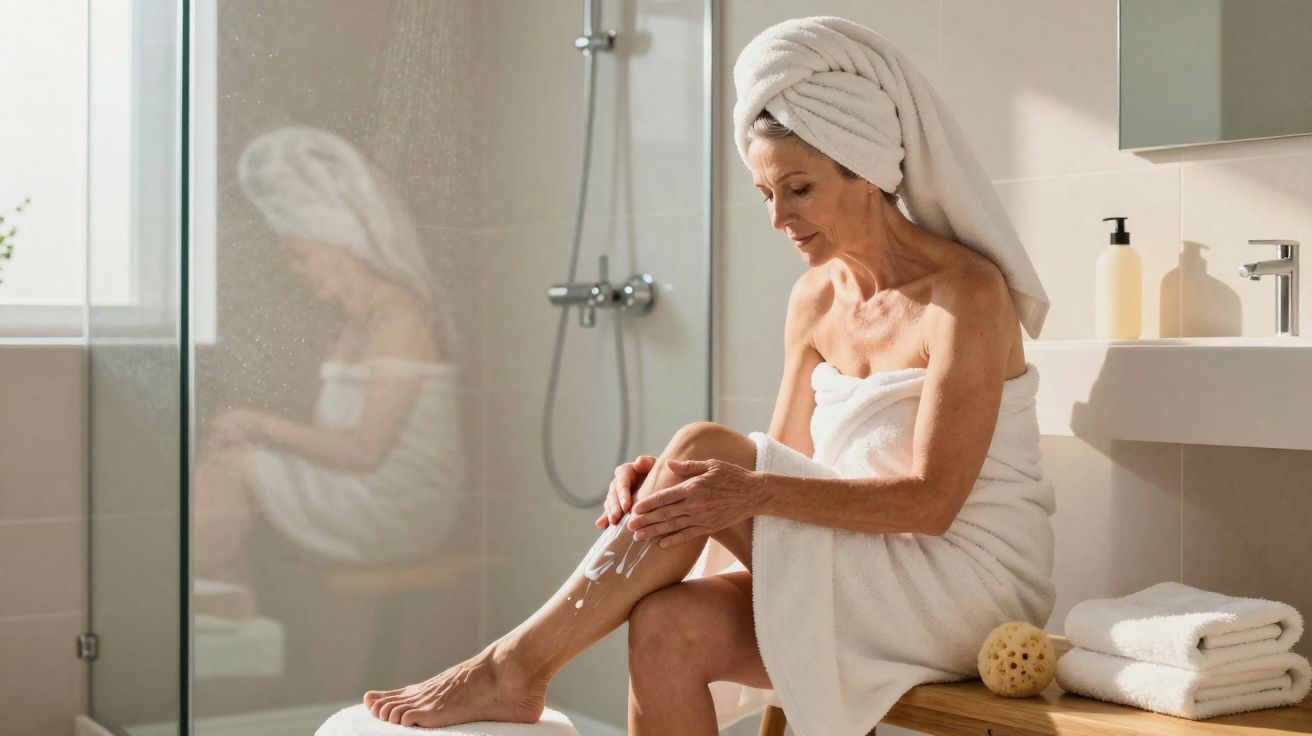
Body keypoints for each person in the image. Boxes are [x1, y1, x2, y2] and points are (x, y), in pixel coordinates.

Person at [363, 16, 1055, 735]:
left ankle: (513, 667)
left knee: (706, 447)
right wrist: (673, 482)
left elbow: (930, 503)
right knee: (667, 625)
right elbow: (791, 466)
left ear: (868, 170)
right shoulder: (816, 299)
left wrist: (727, 481)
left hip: (961, 584)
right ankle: (515, 666)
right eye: (765, 193)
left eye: (799, 189)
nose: (778, 216)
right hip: (860, 564)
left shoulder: (966, 292)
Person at [193, 126, 468, 616]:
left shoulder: (400, 321)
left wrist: (257, 424)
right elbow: (336, 438)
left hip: (401, 507)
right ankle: (219, 584)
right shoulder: (355, 323)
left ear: (340, 241)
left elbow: (365, 450)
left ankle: (206, 586)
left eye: (301, 253)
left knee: (237, 462)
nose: (295, 268)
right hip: (370, 491)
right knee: (233, 457)